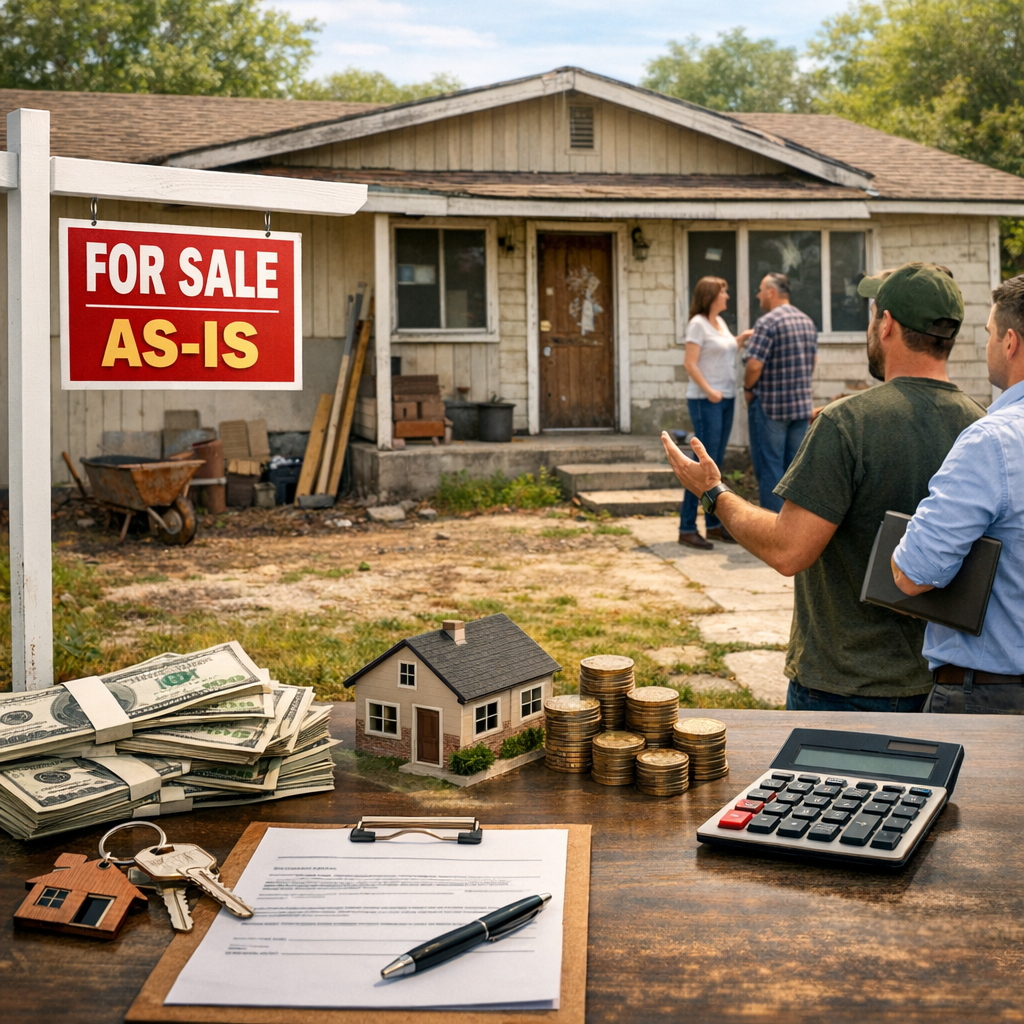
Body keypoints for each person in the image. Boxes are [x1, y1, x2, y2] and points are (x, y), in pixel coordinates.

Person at [661, 263, 985, 711]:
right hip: (942, 688)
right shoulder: (982, 426)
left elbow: (788, 551)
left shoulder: (848, 422)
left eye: (873, 316)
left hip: (842, 689)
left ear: (886, 324)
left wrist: (713, 492)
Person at [891, 274, 1024, 714]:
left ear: (1010, 342)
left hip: (992, 697)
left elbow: (913, 574)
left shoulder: (994, 441)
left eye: (988, 334)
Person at [743, 272, 818, 512]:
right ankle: (792, 530)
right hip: (800, 408)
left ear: (771, 292)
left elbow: (754, 365)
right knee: (794, 471)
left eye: (760, 290)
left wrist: (747, 388)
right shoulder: (807, 320)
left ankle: (772, 533)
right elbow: (813, 360)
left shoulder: (767, 322)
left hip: (772, 409)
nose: (758, 295)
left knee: (770, 468)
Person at [677, 276, 739, 549]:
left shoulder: (719, 323)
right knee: (702, 467)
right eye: (723, 291)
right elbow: (690, 364)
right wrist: (709, 390)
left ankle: (713, 525)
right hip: (706, 400)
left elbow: (720, 350)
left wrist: (741, 339)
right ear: (712, 295)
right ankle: (686, 527)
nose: (727, 295)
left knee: (716, 464)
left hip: (726, 398)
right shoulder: (697, 324)